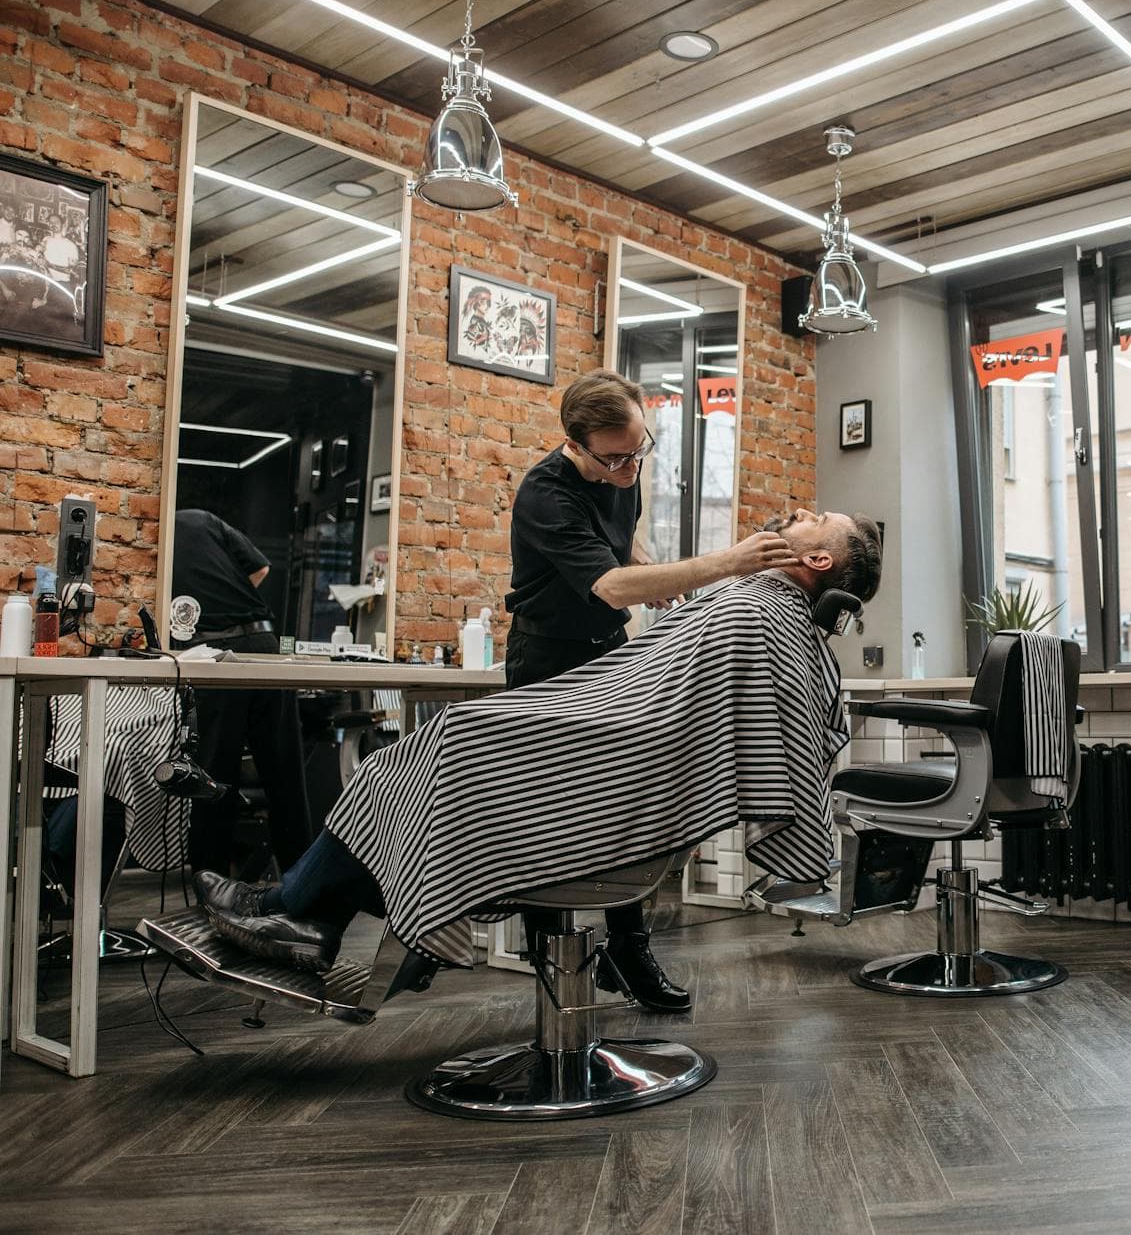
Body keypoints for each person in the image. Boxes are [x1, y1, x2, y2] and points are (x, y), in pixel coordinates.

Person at [192, 508, 883, 981]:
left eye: (812, 520)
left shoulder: (755, 611)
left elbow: (656, 714)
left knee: (449, 741)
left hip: (615, 774)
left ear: (816, 557)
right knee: (414, 760)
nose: (797, 511)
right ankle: (304, 914)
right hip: (617, 752)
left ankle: (295, 910)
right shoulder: (760, 610)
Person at [500, 369, 798, 1011]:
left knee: (626, 801)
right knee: (551, 816)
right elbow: (605, 586)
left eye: (641, 449)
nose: (632, 465)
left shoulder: (622, 467)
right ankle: (554, 966)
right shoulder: (544, 495)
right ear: (575, 447)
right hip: (545, 658)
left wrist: (655, 571)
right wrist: (729, 561)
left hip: (605, 650)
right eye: (615, 457)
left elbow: (620, 550)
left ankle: (628, 952)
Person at [170, 508, 314, 878]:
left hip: (214, 652)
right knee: (285, 777)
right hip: (262, 643)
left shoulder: (157, 535)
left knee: (214, 777)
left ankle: (210, 885)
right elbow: (260, 569)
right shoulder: (204, 519)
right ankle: (304, 887)